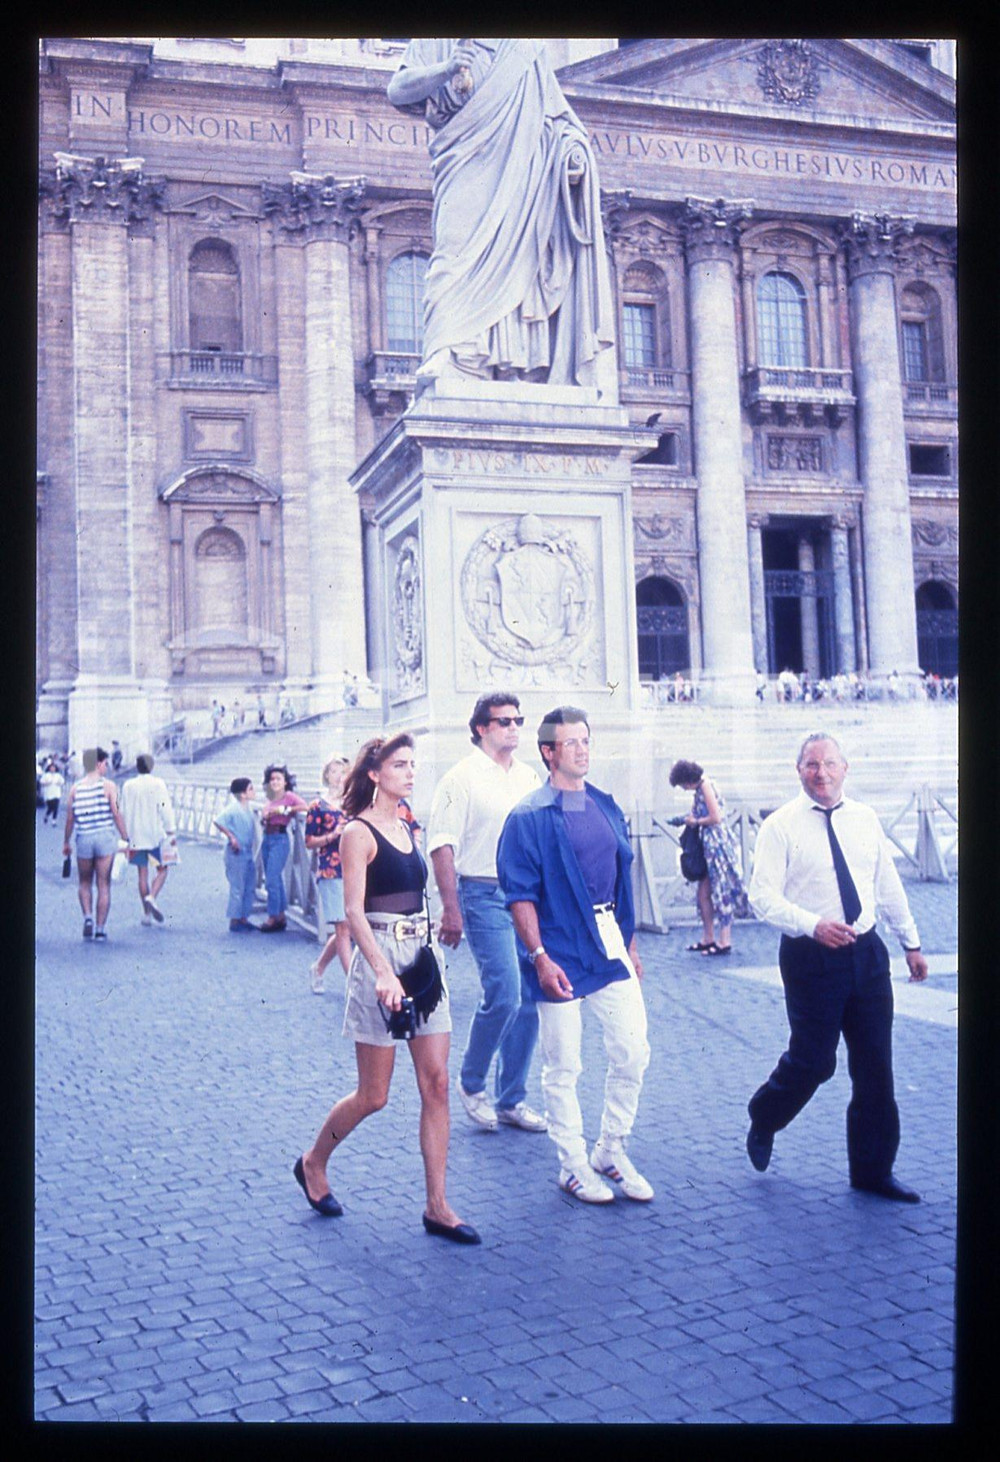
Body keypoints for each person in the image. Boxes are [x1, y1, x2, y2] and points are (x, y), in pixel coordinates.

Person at [294, 734, 479, 1244]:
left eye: (413, 764)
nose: (411, 772)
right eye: (400, 765)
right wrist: (380, 971)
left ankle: (438, 1206)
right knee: (374, 1096)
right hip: (380, 957)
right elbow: (353, 909)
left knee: (436, 1083)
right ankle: (314, 1161)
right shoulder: (358, 831)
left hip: (421, 958)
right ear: (374, 773)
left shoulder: (406, 824)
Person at [745, 733, 929, 1202]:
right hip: (810, 957)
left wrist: (911, 942)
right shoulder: (780, 826)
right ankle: (766, 1114)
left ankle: (873, 1172)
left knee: (875, 1068)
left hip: (866, 954)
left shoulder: (866, 819)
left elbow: (886, 885)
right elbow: (761, 896)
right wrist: (812, 925)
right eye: (811, 765)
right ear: (798, 770)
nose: (820, 773)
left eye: (829, 764)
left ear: (846, 768)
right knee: (814, 1061)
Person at [386, 39, 614, 393]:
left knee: (522, 258)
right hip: (464, 163)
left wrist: (572, 154)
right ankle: (451, 350)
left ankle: (511, 362)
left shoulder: (525, 48)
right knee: (454, 255)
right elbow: (397, 90)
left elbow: (558, 121)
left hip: (521, 175)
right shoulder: (439, 37)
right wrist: (446, 69)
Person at [496, 706, 652, 1205]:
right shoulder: (528, 816)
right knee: (564, 1065)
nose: (583, 750)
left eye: (586, 740)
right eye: (572, 743)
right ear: (548, 752)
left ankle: (611, 1148)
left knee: (633, 1050)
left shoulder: (605, 804)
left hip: (607, 940)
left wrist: (628, 941)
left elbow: (620, 876)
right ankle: (572, 1164)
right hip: (558, 943)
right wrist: (539, 956)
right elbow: (519, 893)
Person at [427, 692, 546, 1134]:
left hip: (526, 897)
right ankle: (472, 1082)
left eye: (518, 720)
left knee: (531, 999)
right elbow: (442, 843)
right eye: (503, 722)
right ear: (481, 728)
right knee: (506, 994)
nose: (514, 728)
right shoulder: (460, 778)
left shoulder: (529, 776)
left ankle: (511, 1097)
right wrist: (450, 909)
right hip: (481, 893)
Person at [668, 759, 750, 957]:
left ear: (687, 780)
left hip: (716, 846)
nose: (683, 789)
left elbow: (716, 817)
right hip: (707, 845)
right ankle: (709, 937)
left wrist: (695, 822)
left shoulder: (705, 786)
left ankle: (724, 940)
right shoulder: (701, 787)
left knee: (721, 890)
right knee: (703, 894)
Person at [62, 747, 130, 941]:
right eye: (106, 763)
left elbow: (69, 819)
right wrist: (125, 837)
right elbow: (116, 813)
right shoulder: (109, 786)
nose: (107, 767)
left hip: (83, 839)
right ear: (99, 764)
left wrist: (66, 842)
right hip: (105, 839)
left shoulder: (75, 789)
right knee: (104, 884)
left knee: (84, 882)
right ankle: (100, 929)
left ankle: (88, 917)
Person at [305, 755, 352, 993]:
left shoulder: (355, 802)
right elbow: (309, 841)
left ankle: (319, 966)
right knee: (342, 927)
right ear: (326, 775)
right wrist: (332, 835)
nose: (339, 776)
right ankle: (353, 984)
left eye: (343, 771)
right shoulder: (317, 806)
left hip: (355, 869)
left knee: (350, 926)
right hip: (331, 869)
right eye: (334, 771)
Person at [118, 754, 178, 926]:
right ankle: (152, 896)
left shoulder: (128, 785)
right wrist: (171, 829)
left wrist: (125, 834)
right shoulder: (158, 783)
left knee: (142, 874)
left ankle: (146, 914)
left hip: (135, 836)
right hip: (155, 835)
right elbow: (165, 808)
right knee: (162, 869)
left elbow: (122, 810)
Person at [257, 765, 308, 932]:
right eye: (272, 779)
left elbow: (305, 808)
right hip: (267, 837)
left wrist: (286, 810)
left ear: (285, 781)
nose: (275, 782)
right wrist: (267, 816)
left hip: (280, 838)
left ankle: (273, 916)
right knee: (275, 878)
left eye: (278, 778)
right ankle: (280, 915)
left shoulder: (289, 796)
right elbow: (264, 815)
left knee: (271, 878)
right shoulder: (270, 797)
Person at [212, 777, 258, 932]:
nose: (254, 791)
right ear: (243, 794)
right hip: (236, 853)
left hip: (247, 851)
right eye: (251, 789)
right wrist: (231, 837)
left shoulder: (249, 808)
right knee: (237, 887)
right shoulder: (233, 808)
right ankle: (235, 920)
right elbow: (218, 821)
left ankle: (243, 917)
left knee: (249, 885)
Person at [40, 759, 64, 825]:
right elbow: (41, 782)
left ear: (55, 768)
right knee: (51, 807)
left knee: (56, 807)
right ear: (49, 768)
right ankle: (46, 816)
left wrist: (59, 783)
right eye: (51, 768)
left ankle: (54, 821)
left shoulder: (58, 775)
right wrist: (47, 783)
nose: (52, 769)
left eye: (54, 768)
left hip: (56, 793)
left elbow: (62, 782)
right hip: (49, 794)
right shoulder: (46, 775)